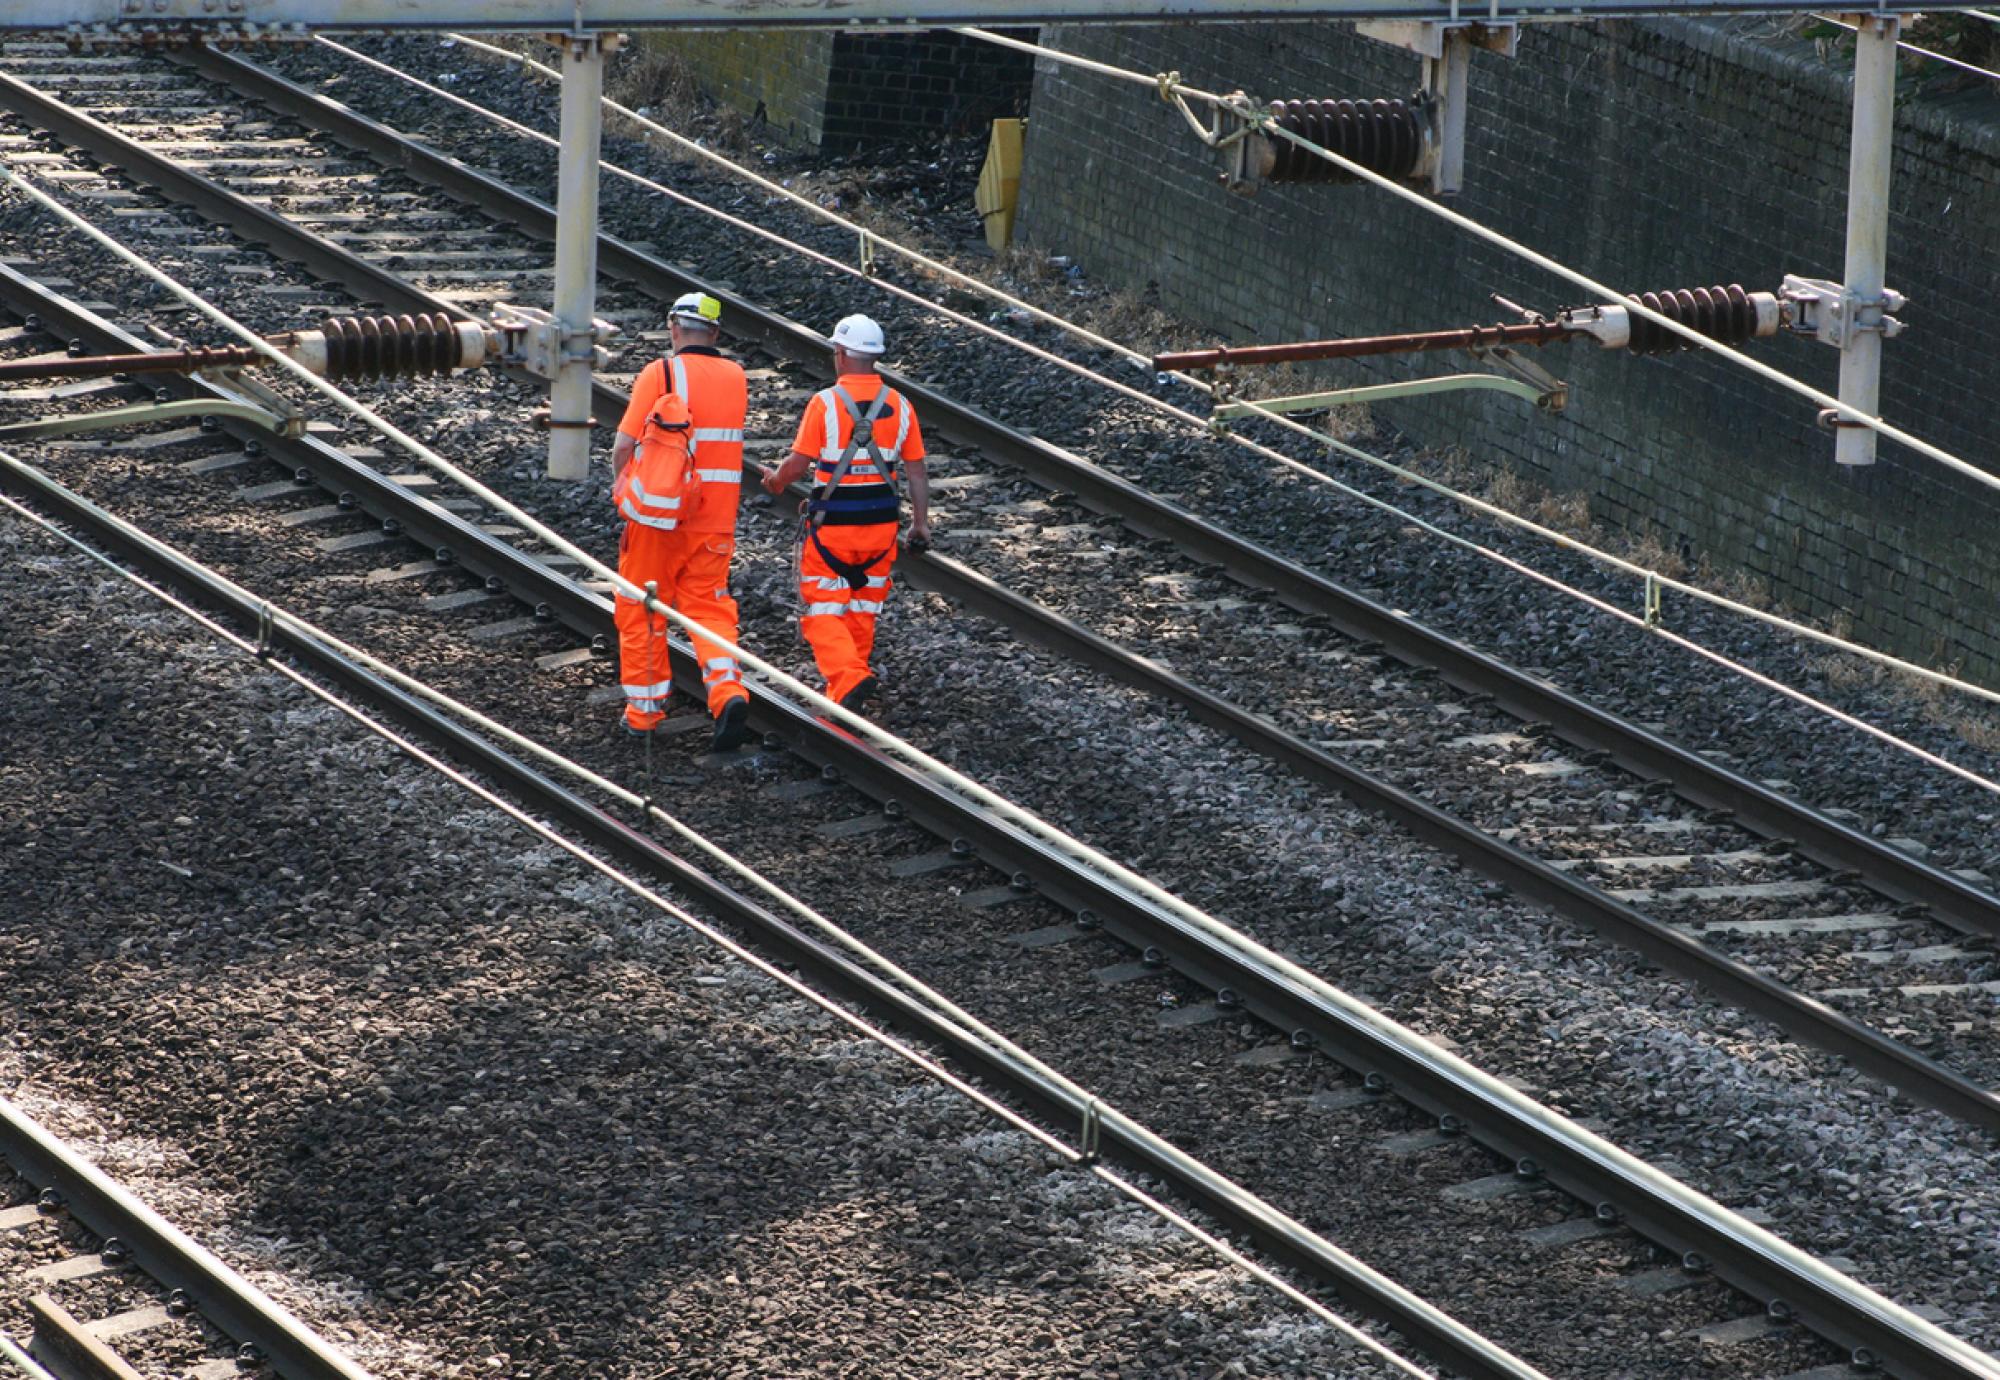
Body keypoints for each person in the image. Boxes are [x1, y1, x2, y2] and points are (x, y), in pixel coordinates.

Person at [760, 313, 931, 712]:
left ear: (839, 354)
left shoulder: (825, 404)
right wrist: (920, 524)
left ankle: (850, 677)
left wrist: (776, 482)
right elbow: (917, 470)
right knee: (863, 608)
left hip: (833, 528)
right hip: (881, 530)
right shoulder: (902, 406)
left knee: (822, 611)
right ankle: (845, 693)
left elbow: (799, 464)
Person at [611, 291, 753, 752]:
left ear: (674, 327)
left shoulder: (661, 372)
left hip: (659, 518)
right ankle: (728, 692)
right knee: (710, 608)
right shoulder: (736, 377)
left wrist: (622, 489)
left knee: (642, 609)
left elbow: (623, 445)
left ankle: (644, 714)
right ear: (714, 332)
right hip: (715, 522)